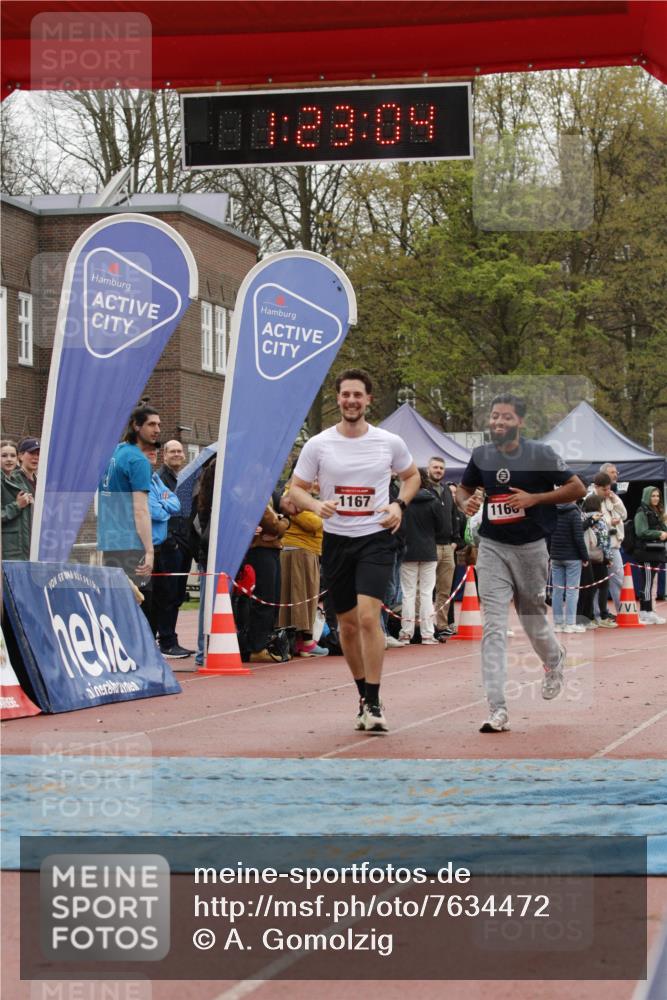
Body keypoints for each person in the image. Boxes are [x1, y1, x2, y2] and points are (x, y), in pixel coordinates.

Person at [289, 368, 420, 734]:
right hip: (336, 541)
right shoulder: (318, 444)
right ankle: (363, 693)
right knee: (345, 625)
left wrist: (399, 506)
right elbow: (294, 489)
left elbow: (412, 477)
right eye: (345, 395)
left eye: (357, 395)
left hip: (375, 537)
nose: (351, 401)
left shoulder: (388, 442)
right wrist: (315, 506)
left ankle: (376, 701)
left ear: (368, 400)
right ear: (338, 398)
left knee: (367, 617)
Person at [456, 392, 586, 733]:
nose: (498, 422)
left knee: (531, 619)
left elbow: (578, 488)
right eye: (494, 416)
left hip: (531, 548)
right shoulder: (481, 456)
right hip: (492, 547)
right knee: (494, 628)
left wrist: (536, 498)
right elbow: (463, 489)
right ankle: (497, 710)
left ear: (520, 422)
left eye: (506, 417)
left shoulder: (540, 454)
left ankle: (554, 659)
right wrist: (465, 504)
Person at [97, 406, 160, 606]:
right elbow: (140, 509)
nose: (157, 429)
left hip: (110, 541)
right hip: (131, 543)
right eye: (151, 424)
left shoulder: (114, 452)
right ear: (136, 425)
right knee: (138, 604)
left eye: (159, 424)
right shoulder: (138, 460)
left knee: (115, 603)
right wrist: (150, 551)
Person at [151, 440, 195, 658]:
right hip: (170, 544)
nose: (177, 454)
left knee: (177, 594)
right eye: (172, 451)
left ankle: (169, 638)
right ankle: (166, 641)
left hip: (184, 544)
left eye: (180, 451)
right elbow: (160, 511)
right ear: (164, 455)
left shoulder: (184, 479)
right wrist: (171, 541)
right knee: (167, 593)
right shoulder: (161, 479)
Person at [278, 482, 328, 657]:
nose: (316, 481)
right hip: (298, 550)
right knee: (300, 595)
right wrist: (322, 513)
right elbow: (312, 522)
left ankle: (302, 640)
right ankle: (305, 641)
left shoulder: (304, 497)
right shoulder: (292, 495)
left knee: (307, 596)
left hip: (308, 550)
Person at [398, 467, 445, 645]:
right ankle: (427, 634)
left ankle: (406, 633)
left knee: (408, 593)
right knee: (426, 593)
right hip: (428, 550)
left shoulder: (403, 501)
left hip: (408, 550)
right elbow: (442, 527)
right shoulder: (433, 500)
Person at [144, 445, 182, 635]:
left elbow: (176, 504)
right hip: (146, 547)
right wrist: (164, 505)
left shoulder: (155, 478)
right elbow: (157, 512)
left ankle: (162, 641)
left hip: (158, 547)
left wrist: (163, 502)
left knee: (163, 596)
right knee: (149, 601)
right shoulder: (150, 477)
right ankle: (160, 641)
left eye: (155, 450)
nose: (153, 453)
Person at [425, 456, 457, 638]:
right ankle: (424, 626)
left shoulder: (446, 490)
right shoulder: (424, 490)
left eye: (441, 468)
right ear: (429, 469)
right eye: (435, 467)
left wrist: (455, 540)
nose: (438, 470)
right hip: (430, 546)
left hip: (448, 547)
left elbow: (454, 516)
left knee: (445, 590)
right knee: (426, 590)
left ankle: (442, 625)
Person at [588, 470, 626, 619]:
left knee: (619, 578)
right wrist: (611, 522)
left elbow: (624, 514)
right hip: (598, 547)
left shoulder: (611, 497)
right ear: (596, 487)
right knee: (598, 582)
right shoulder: (590, 500)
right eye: (604, 489)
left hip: (614, 544)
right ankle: (597, 614)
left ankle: (623, 611)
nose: (607, 491)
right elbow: (594, 522)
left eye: (609, 488)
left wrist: (614, 498)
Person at [550, 502, 589, 633]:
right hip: (572, 557)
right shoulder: (574, 513)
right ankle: (570, 623)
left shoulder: (553, 511)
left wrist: (551, 552)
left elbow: (548, 533)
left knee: (557, 591)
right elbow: (579, 537)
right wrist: (585, 557)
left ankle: (558, 623)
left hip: (555, 556)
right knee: (572, 591)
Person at [578, 494, 615, 629]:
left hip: (586, 556)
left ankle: (590, 616)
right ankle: (603, 615)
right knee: (603, 586)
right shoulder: (600, 519)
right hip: (599, 557)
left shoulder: (582, 517)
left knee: (589, 588)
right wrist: (609, 557)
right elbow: (605, 540)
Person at [633, 486, 667, 625]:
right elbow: (641, 532)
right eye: (653, 496)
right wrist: (659, 534)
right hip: (645, 552)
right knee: (647, 582)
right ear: (647, 496)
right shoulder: (642, 512)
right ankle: (645, 611)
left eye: (657, 496)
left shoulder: (656, 511)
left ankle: (649, 611)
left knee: (650, 582)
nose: (656, 498)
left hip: (655, 552)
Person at [1, 438, 35, 560]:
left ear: (17, 459)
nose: (9, 459)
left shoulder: (18, 482)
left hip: (21, 549)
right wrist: (17, 505)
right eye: (4, 456)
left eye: (12, 456)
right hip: (6, 551)